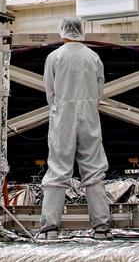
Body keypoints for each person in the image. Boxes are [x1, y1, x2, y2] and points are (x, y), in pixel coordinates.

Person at [39, 16, 111, 239]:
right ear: (81, 31)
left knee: (58, 167)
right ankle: (101, 228)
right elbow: (100, 90)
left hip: (63, 115)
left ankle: (50, 228)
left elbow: (50, 91)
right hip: (89, 114)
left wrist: (61, 108)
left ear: (63, 32)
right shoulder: (93, 57)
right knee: (94, 168)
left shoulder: (54, 57)